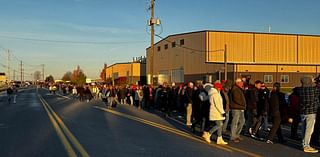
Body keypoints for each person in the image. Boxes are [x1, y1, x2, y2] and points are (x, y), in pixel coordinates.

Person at [296, 76, 320, 153]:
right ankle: (306, 146)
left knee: (303, 129)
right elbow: (317, 90)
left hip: (303, 112)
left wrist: (311, 81)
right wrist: (314, 81)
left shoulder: (299, 90)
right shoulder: (314, 90)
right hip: (311, 112)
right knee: (309, 130)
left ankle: (303, 143)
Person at [230, 78, 247, 143]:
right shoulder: (235, 89)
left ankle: (236, 134)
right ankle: (233, 136)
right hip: (236, 108)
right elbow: (236, 99)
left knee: (242, 121)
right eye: (241, 82)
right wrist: (244, 104)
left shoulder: (239, 89)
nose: (242, 83)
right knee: (235, 122)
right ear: (238, 83)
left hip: (240, 108)